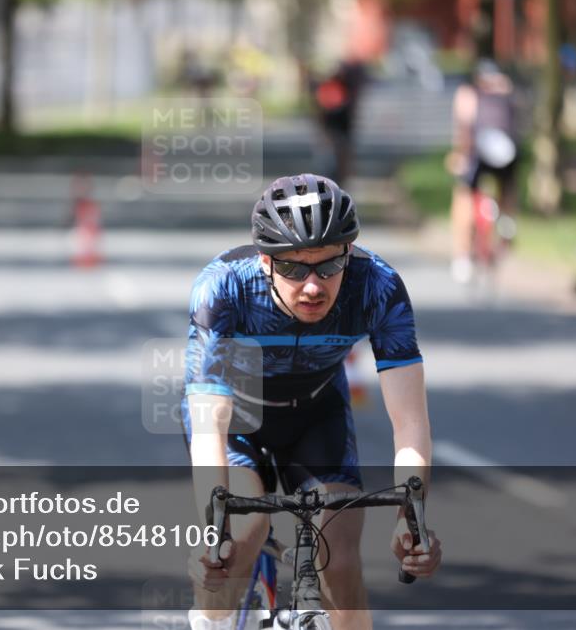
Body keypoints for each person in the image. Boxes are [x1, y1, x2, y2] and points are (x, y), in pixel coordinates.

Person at [183, 174, 441, 630]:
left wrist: (412, 520)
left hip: (317, 410)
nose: (312, 286)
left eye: (327, 266)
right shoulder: (224, 287)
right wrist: (213, 530)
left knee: (338, 559)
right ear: (265, 261)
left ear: (349, 254)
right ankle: (210, 618)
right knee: (239, 538)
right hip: (238, 416)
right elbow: (211, 424)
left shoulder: (378, 287)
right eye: (293, 269)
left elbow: (410, 421)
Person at [446, 59, 519, 283]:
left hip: (480, 149)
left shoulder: (468, 92)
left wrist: (459, 154)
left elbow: (465, 126)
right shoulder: (508, 91)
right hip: (509, 150)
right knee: (507, 192)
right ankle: (507, 224)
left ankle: (462, 257)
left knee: (464, 194)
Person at [314, 61, 367, 184]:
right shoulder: (328, 87)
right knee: (330, 155)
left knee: (341, 154)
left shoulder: (346, 88)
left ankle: (341, 178)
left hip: (342, 127)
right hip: (331, 128)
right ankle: (329, 179)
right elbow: (321, 110)